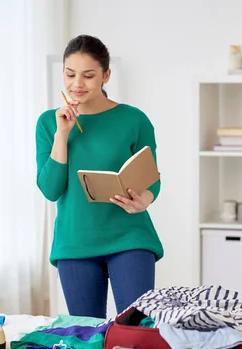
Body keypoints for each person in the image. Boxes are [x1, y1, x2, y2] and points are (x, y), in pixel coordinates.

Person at [35, 34, 163, 319]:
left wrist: (145, 198)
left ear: (106, 75)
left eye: (88, 75)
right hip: (75, 242)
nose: (77, 84)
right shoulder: (48, 122)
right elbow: (50, 189)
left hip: (130, 237)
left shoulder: (134, 119)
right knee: (90, 337)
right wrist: (62, 134)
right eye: (70, 74)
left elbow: (152, 176)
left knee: (135, 332)